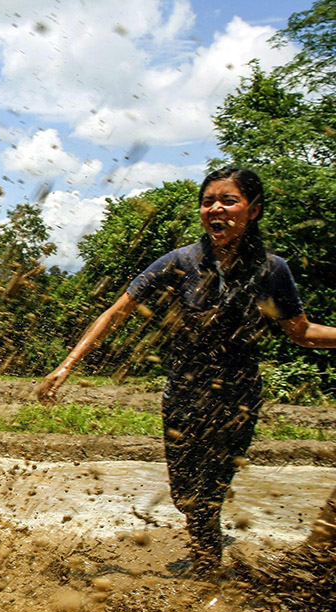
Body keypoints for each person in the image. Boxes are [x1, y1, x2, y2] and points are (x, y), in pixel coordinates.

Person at [37, 167, 336, 576]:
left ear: (254, 210)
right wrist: (65, 366)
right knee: (185, 494)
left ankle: (206, 568)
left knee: (209, 490)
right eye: (209, 200)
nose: (216, 208)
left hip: (238, 395)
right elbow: (117, 312)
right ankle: (207, 554)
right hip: (184, 393)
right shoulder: (181, 262)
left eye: (228, 200)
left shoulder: (271, 270)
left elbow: (301, 332)